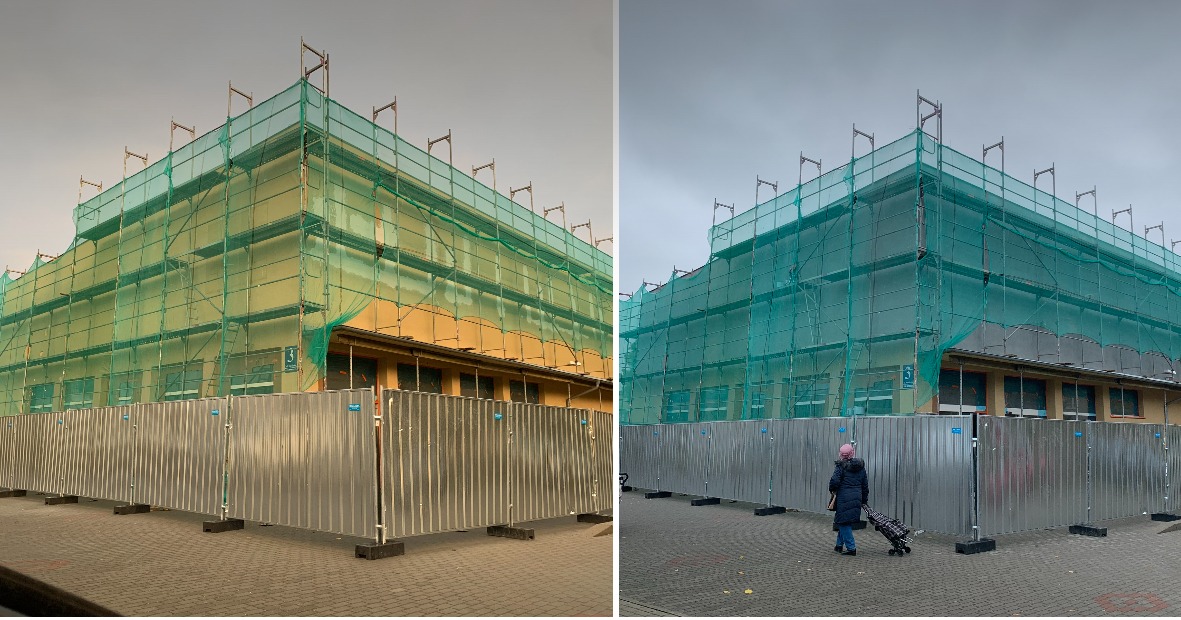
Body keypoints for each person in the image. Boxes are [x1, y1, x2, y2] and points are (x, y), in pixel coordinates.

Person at [830, 442, 868, 556]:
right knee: (845, 521)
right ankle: (839, 545)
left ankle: (851, 548)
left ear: (841, 455)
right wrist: (864, 499)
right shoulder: (861, 467)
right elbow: (865, 485)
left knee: (843, 522)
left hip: (844, 497)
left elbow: (834, 482)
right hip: (856, 497)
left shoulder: (840, 467)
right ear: (852, 453)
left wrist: (832, 490)